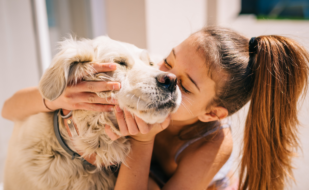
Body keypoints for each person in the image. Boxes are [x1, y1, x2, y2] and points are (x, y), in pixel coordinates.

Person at [2, 26, 309, 190]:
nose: (165, 79)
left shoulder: (213, 144)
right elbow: (9, 109)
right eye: (167, 61)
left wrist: (143, 140)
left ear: (211, 114)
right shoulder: (141, 88)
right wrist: (56, 99)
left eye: (185, 86)